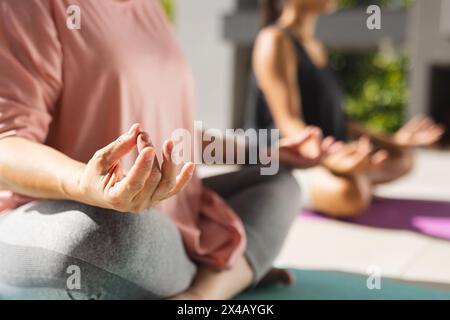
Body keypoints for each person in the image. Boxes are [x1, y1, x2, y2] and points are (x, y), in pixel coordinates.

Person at [0, 0, 335, 300]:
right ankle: (233, 270)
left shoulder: (152, 8)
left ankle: (198, 294)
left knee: (279, 181)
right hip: (88, 220)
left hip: (172, 225)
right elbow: (7, 145)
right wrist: (84, 185)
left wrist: (263, 152)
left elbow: (174, 135)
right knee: (100, 237)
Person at [251, 0, 445, 218]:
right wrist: (329, 157)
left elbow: (339, 121)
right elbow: (288, 124)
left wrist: (393, 141)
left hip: (326, 152)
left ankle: (356, 176)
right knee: (350, 194)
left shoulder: (316, 47)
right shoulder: (273, 39)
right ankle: (351, 180)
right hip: (291, 161)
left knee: (404, 159)